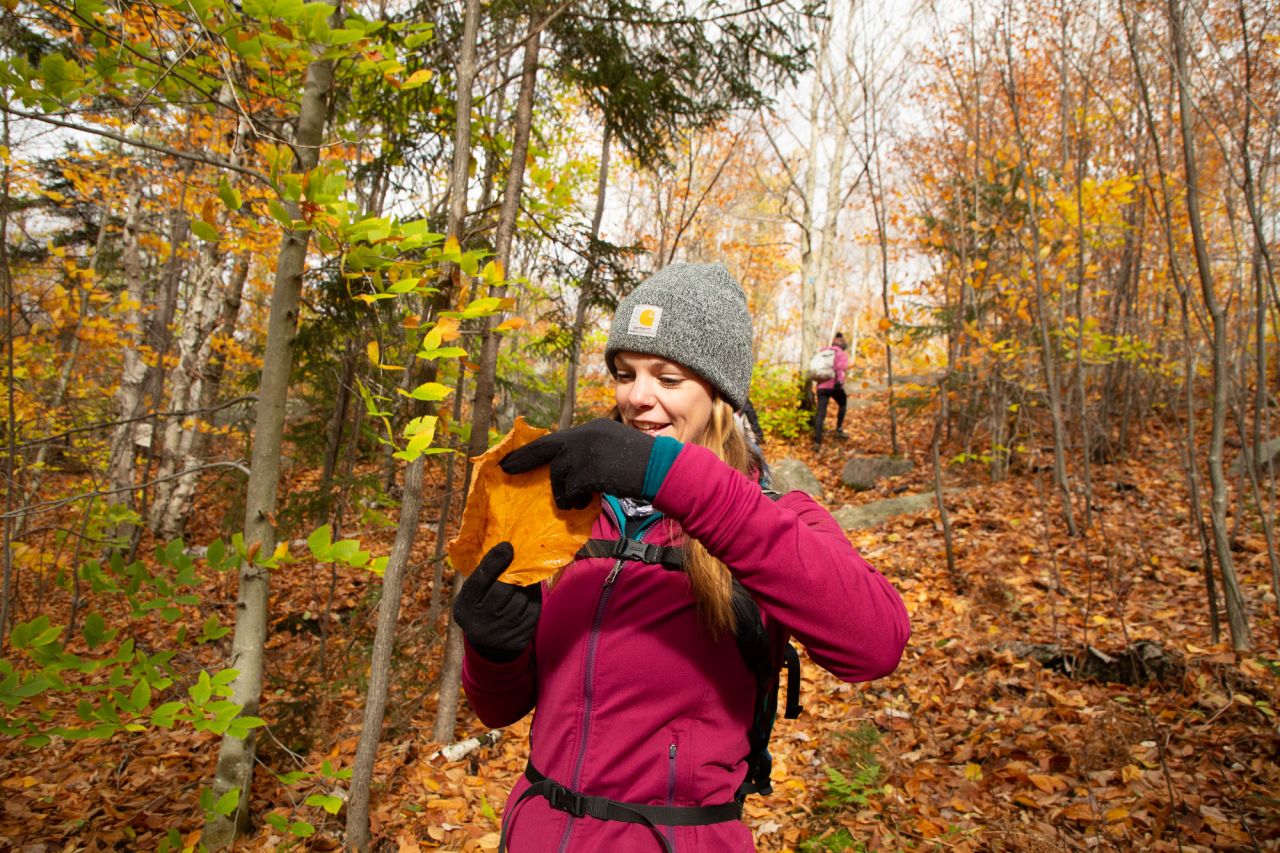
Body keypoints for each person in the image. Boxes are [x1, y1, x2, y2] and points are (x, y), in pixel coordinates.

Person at [453, 263, 909, 852]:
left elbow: (877, 643)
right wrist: (493, 649)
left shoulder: (774, 515)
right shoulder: (571, 515)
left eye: (668, 379)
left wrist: (665, 475)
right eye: (625, 374)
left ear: (720, 394)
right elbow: (500, 709)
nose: (638, 398)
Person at [813, 332, 849, 449]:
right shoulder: (840, 353)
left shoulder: (823, 351)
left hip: (821, 386)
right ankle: (838, 429)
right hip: (834, 385)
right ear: (842, 344)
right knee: (843, 403)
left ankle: (817, 441)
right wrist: (840, 381)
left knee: (821, 413)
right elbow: (840, 369)